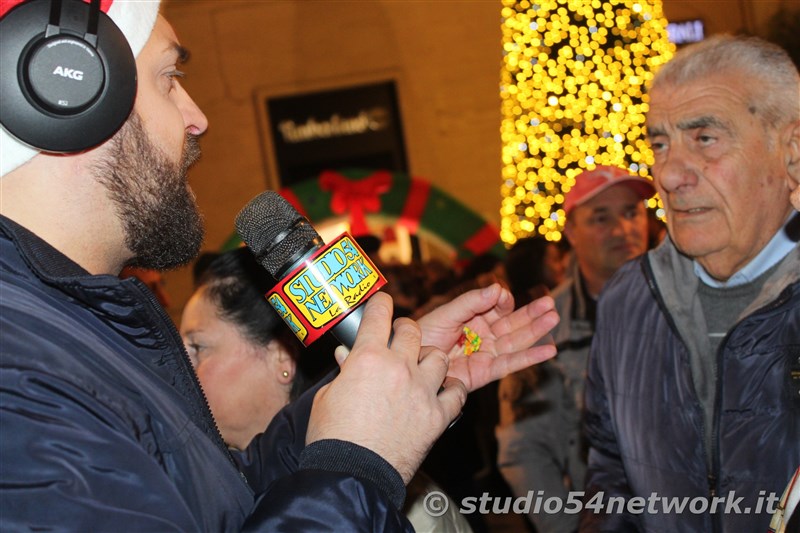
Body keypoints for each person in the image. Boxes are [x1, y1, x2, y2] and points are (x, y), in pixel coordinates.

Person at [0, 1, 560, 530]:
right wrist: (357, 463)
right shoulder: (16, 382)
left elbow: (212, 504)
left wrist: (374, 394)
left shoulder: (69, 326)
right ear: (65, 88)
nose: (197, 119)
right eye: (170, 79)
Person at [580, 35, 800, 532]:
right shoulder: (628, 299)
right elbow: (610, 472)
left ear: (791, 150)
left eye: (705, 139)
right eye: (659, 143)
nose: (669, 173)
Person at [181, 248, 474, 532]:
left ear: (281, 357)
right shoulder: (206, 488)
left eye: (197, 347)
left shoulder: (406, 509)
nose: (182, 371)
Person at [497, 166, 654, 533]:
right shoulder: (545, 328)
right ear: (571, 232)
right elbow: (524, 450)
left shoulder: (684, 305)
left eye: (631, 212)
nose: (622, 229)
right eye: (601, 217)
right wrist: (570, 527)